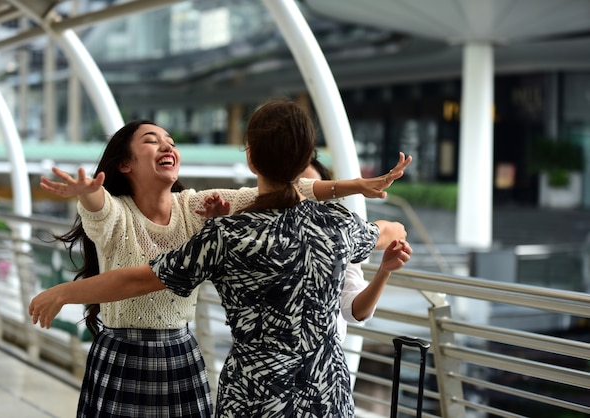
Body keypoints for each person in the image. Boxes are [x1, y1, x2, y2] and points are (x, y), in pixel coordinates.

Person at [30, 98, 412, 417]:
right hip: (325, 390)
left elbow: (137, 279)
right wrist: (364, 197)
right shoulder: (336, 224)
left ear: (250, 159)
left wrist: (64, 291)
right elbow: (391, 230)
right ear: (302, 162)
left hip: (252, 393)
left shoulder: (222, 236)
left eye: (170, 140)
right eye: (153, 140)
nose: (167, 146)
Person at [299, 155, 407, 342]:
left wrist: (384, 271)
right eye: (304, 191)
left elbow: (355, 311)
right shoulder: (343, 237)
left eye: (313, 195)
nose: (305, 202)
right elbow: (392, 231)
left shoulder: (339, 239)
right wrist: (358, 185)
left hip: (323, 363)